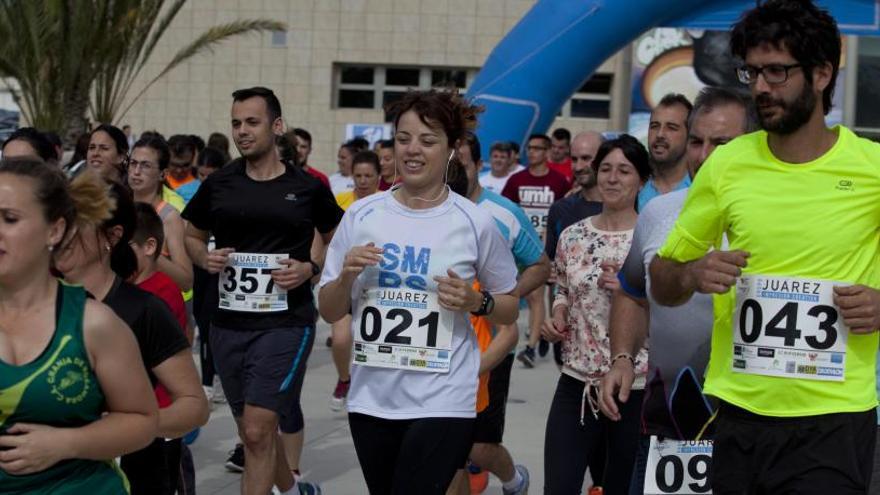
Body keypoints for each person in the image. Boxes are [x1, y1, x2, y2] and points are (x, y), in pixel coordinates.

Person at [650, 1, 880, 493]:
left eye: (776, 71)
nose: (760, 88)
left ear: (821, 74)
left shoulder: (871, 169)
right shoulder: (727, 165)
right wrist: (692, 274)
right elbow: (663, 279)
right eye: (751, 72)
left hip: (834, 418)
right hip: (739, 414)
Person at [318, 89, 520, 493]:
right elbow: (328, 308)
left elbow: (509, 307)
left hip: (443, 397)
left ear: (451, 150)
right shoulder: (362, 214)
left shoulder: (473, 221)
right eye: (403, 138)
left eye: (427, 141)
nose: (412, 150)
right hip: (372, 396)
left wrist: (476, 301)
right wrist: (345, 279)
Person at [183, 86, 340, 495]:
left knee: (255, 431)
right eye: (236, 123)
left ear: (277, 125)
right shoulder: (219, 184)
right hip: (227, 324)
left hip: (285, 323)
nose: (242, 132)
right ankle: (292, 490)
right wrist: (204, 259)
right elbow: (192, 234)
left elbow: (336, 234)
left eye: (252, 122)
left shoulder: (306, 187)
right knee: (255, 434)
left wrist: (312, 268)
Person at [598, 87, 753, 495]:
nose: (704, 156)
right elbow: (631, 292)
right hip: (669, 423)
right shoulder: (659, 213)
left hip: (758, 421)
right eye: (697, 141)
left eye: (722, 143)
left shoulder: (785, 219)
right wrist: (621, 359)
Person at [0, 160, 157, 494]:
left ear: (54, 231)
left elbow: (143, 421)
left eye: (10, 219)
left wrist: (65, 443)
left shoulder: (93, 323)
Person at [55, 179, 208, 495]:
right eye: (59, 221)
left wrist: (130, 424)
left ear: (112, 236)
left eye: (77, 223)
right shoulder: (32, 303)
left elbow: (194, 406)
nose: (61, 234)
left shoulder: (144, 310)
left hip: (130, 479)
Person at [541, 135, 651, 494]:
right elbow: (562, 288)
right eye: (605, 169)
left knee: (619, 487)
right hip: (577, 382)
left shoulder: (654, 239)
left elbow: (674, 306)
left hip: (633, 390)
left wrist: (631, 293)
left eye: (624, 170)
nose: (612, 178)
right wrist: (557, 316)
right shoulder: (572, 236)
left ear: (642, 180)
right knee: (559, 485)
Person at [448, 133, 549, 495]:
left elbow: (540, 264)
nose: (453, 170)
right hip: (440, 346)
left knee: (479, 446)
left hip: (492, 344)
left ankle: (513, 479)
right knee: (451, 453)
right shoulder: (429, 210)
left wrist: (503, 299)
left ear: (478, 166)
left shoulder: (502, 214)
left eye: (461, 163)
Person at [502, 133, 570, 368]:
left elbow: (565, 213)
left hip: (541, 249)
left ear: (547, 151)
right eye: (529, 148)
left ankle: (530, 346)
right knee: (512, 292)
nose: (531, 152)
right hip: (517, 247)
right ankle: (533, 333)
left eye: (538, 148)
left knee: (535, 296)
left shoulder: (559, 181)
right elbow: (505, 212)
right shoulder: (516, 180)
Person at [327, 150, 382, 412]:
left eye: (368, 176)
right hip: (345, 280)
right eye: (357, 175)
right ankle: (344, 378)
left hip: (374, 286)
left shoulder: (389, 205)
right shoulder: (339, 202)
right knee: (340, 340)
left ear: (379, 177)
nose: (362, 181)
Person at [545, 131, 605, 367]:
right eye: (575, 159)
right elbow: (551, 267)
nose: (579, 166)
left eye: (586, 158)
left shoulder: (631, 209)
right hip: (569, 333)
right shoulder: (561, 209)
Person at [127, 135, 194, 293]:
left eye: (145, 166)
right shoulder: (119, 208)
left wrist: (150, 252)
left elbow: (186, 281)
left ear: (163, 174)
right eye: (133, 163)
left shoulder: (169, 217)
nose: (136, 172)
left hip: (156, 306)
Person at [638, 94, 692, 211]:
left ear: (690, 135)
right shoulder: (634, 189)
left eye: (671, 127)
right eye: (654, 126)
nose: (660, 134)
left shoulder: (701, 188)